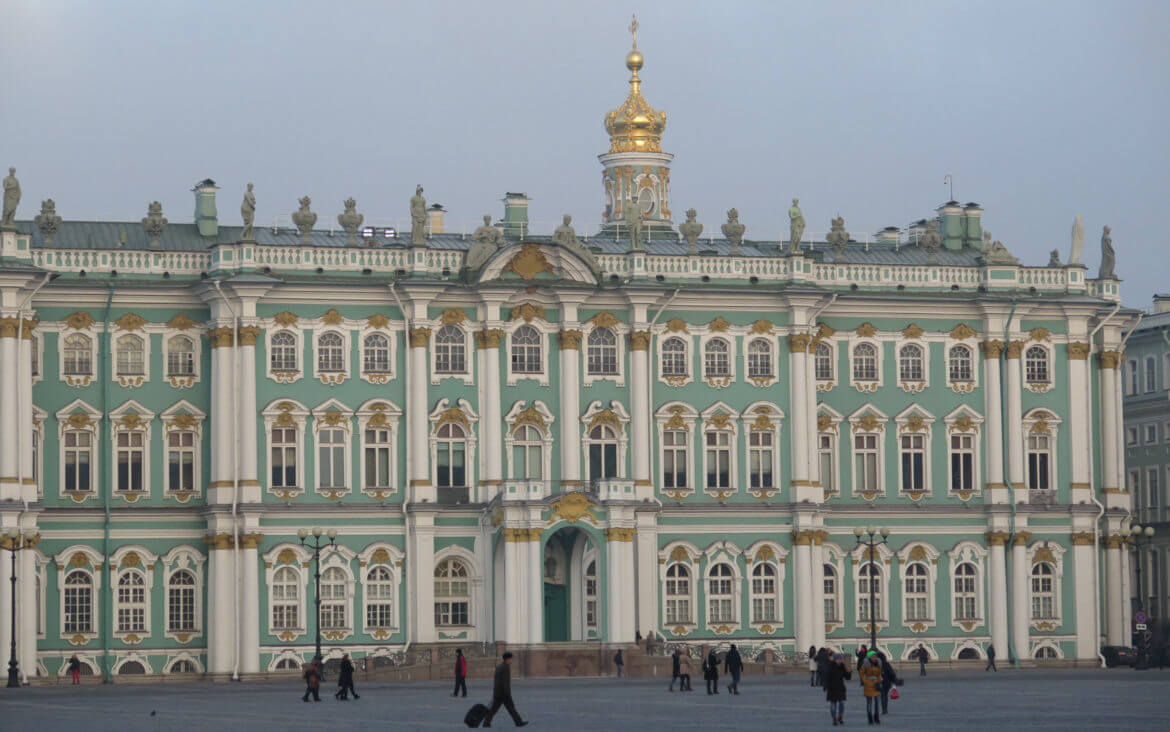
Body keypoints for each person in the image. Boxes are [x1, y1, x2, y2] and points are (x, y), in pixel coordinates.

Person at [483, 652, 528, 727]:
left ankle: (486, 723)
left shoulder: (499, 667)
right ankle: (518, 722)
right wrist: (508, 694)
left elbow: (497, 681)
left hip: (497, 692)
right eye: (511, 659)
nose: (511, 660)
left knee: (494, 710)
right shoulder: (506, 668)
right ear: (508, 659)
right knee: (511, 709)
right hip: (503, 693)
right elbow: (505, 682)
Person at [825, 652, 852, 727]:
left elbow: (847, 678)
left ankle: (840, 716)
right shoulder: (830, 667)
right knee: (833, 705)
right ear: (835, 660)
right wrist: (826, 687)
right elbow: (827, 678)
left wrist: (849, 672)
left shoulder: (842, 667)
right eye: (838, 659)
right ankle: (834, 718)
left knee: (842, 704)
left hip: (840, 688)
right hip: (832, 689)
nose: (840, 661)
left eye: (841, 659)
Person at [860, 652, 883, 725]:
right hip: (868, 685)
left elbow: (879, 674)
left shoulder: (878, 664)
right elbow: (861, 674)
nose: (874, 658)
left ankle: (876, 717)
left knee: (877, 703)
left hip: (876, 685)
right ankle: (870, 718)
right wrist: (865, 681)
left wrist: (879, 680)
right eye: (873, 657)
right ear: (869, 658)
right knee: (869, 703)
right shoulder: (865, 665)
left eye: (875, 656)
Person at [876, 651, 895, 716]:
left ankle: (883, 709)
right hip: (886, 682)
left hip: (879, 682)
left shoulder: (877, 664)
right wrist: (893, 681)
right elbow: (891, 673)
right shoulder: (886, 664)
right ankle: (885, 709)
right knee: (885, 696)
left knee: (882, 696)